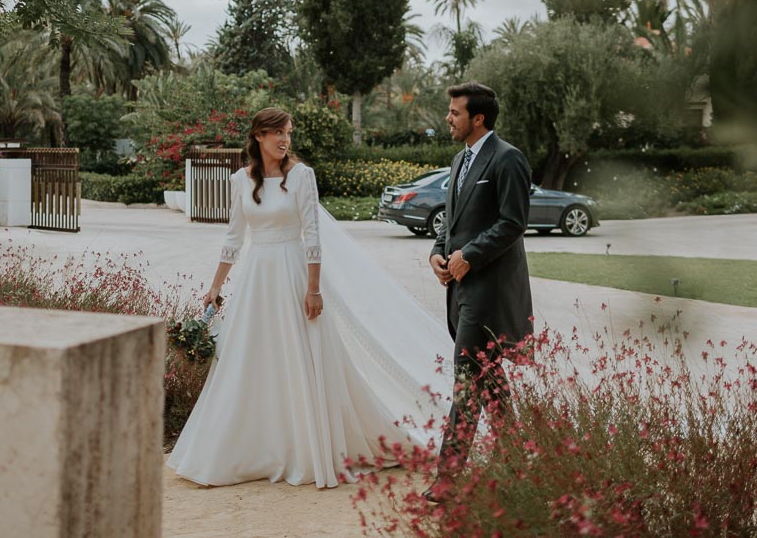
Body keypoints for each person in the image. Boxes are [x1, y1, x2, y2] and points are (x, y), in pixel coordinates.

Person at [167, 107, 450, 489]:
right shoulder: (240, 180)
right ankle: (249, 447)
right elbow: (234, 238)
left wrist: (313, 288)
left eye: (288, 132)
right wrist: (216, 286)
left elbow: (312, 237)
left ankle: (302, 447)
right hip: (256, 279)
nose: (285, 140)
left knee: (298, 356)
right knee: (249, 357)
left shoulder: (302, 177)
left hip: (293, 274)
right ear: (258, 136)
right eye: (277, 133)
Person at [424, 82, 533, 504]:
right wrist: (437, 253)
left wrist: (470, 254)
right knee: (489, 380)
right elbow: (452, 223)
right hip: (459, 288)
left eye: (454, 112)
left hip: (489, 289)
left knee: (467, 380)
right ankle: (520, 462)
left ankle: (447, 479)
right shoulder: (458, 160)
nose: (448, 118)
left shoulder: (508, 159)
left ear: (478, 118)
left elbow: (513, 222)